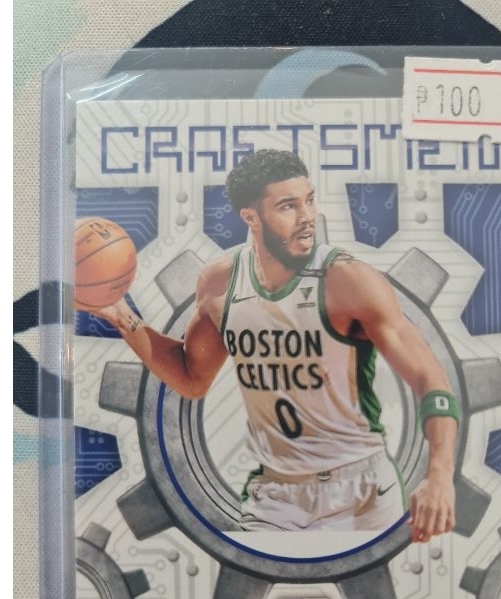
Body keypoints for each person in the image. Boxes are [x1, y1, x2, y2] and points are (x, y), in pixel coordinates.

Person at [77, 149, 459, 542]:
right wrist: (121, 315)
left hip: (363, 491)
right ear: (251, 217)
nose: (307, 217)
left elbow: (431, 380)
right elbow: (191, 378)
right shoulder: (220, 284)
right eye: (288, 206)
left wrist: (440, 475)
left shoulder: (348, 280)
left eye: (309, 200)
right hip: (276, 496)